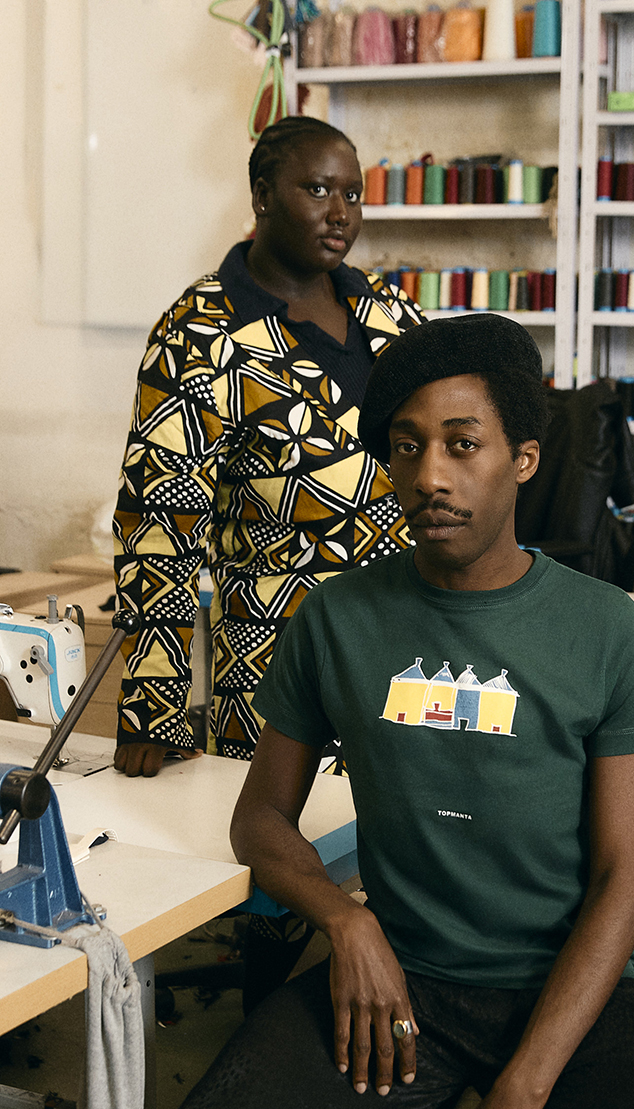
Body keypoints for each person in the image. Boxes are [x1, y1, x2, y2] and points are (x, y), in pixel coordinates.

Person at [129, 316, 634, 1109]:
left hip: (565, 989)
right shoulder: (337, 620)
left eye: (463, 445)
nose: (430, 475)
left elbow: (626, 875)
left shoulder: (605, 631)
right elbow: (260, 817)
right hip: (404, 981)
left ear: (523, 459)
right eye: (407, 448)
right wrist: (345, 923)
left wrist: (525, 1086)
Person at [112, 115, 422, 778]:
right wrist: (153, 708)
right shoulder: (201, 334)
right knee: (286, 859)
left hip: (412, 654)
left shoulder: (387, 311)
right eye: (316, 190)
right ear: (261, 196)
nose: (340, 214)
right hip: (280, 670)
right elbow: (161, 523)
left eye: (353, 195)